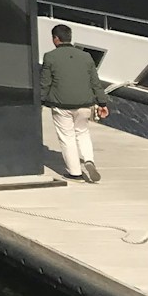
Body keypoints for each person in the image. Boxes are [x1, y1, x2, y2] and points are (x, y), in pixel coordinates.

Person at [40, 24, 110, 182]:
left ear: (56, 39)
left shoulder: (50, 57)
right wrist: (103, 103)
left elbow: (45, 83)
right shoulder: (86, 57)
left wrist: (40, 100)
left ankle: (75, 173)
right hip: (85, 105)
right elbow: (95, 83)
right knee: (83, 133)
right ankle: (89, 160)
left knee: (67, 137)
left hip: (61, 105)